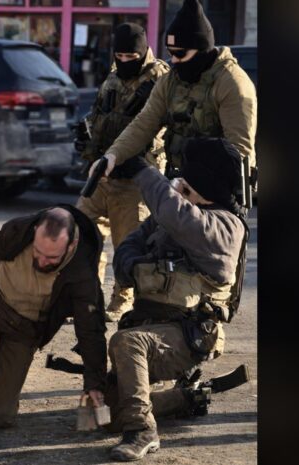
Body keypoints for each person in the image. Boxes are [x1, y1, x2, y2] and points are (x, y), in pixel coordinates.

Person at [103, 138, 249, 461]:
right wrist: (132, 265)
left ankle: (142, 432)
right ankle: (185, 399)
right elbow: (129, 246)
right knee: (109, 413)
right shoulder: (176, 214)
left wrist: (144, 171)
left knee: (126, 343)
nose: (180, 181)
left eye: (187, 178)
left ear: (202, 183)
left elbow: (177, 214)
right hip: (150, 325)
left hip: (189, 335)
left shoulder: (225, 227)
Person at [0, 206, 107, 428]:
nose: (41, 261)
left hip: (26, 327)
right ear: (36, 231)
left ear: (71, 245)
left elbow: (91, 332)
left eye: (51, 257)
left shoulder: (83, 274)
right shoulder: (17, 229)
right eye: (37, 251)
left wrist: (94, 387)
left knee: (2, 417)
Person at [88, 0, 257, 186]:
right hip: (178, 183)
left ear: (202, 49)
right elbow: (144, 123)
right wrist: (113, 155)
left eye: (181, 54)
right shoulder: (170, 80)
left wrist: (209, 189)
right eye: (171, 53)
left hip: (216, 189)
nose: (174, 60)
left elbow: (239, 151)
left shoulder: (231, 82)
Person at [74, 23, 170, 323]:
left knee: (128, 244)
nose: (125, 60)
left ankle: (123, 300)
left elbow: (162, 125)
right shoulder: (113, 75)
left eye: (132, 56)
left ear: (143, 52)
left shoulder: (161, 78)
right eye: (120, 55)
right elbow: (100, 114)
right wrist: (88, 141)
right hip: (102, 173)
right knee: (80, 233)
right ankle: (88, 298)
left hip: (135, 179)